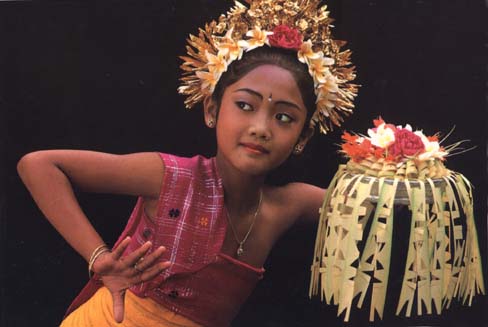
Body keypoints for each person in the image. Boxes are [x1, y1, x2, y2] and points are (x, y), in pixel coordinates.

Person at [17, 1, 357, 326]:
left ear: (302, 138)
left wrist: (402, 158)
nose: (260, 127)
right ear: (212, 110)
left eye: (284, 117)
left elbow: (377, 203)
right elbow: (39, 165)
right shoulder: (170, 176)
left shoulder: (289, 205)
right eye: (245, 105)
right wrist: (100, 258)